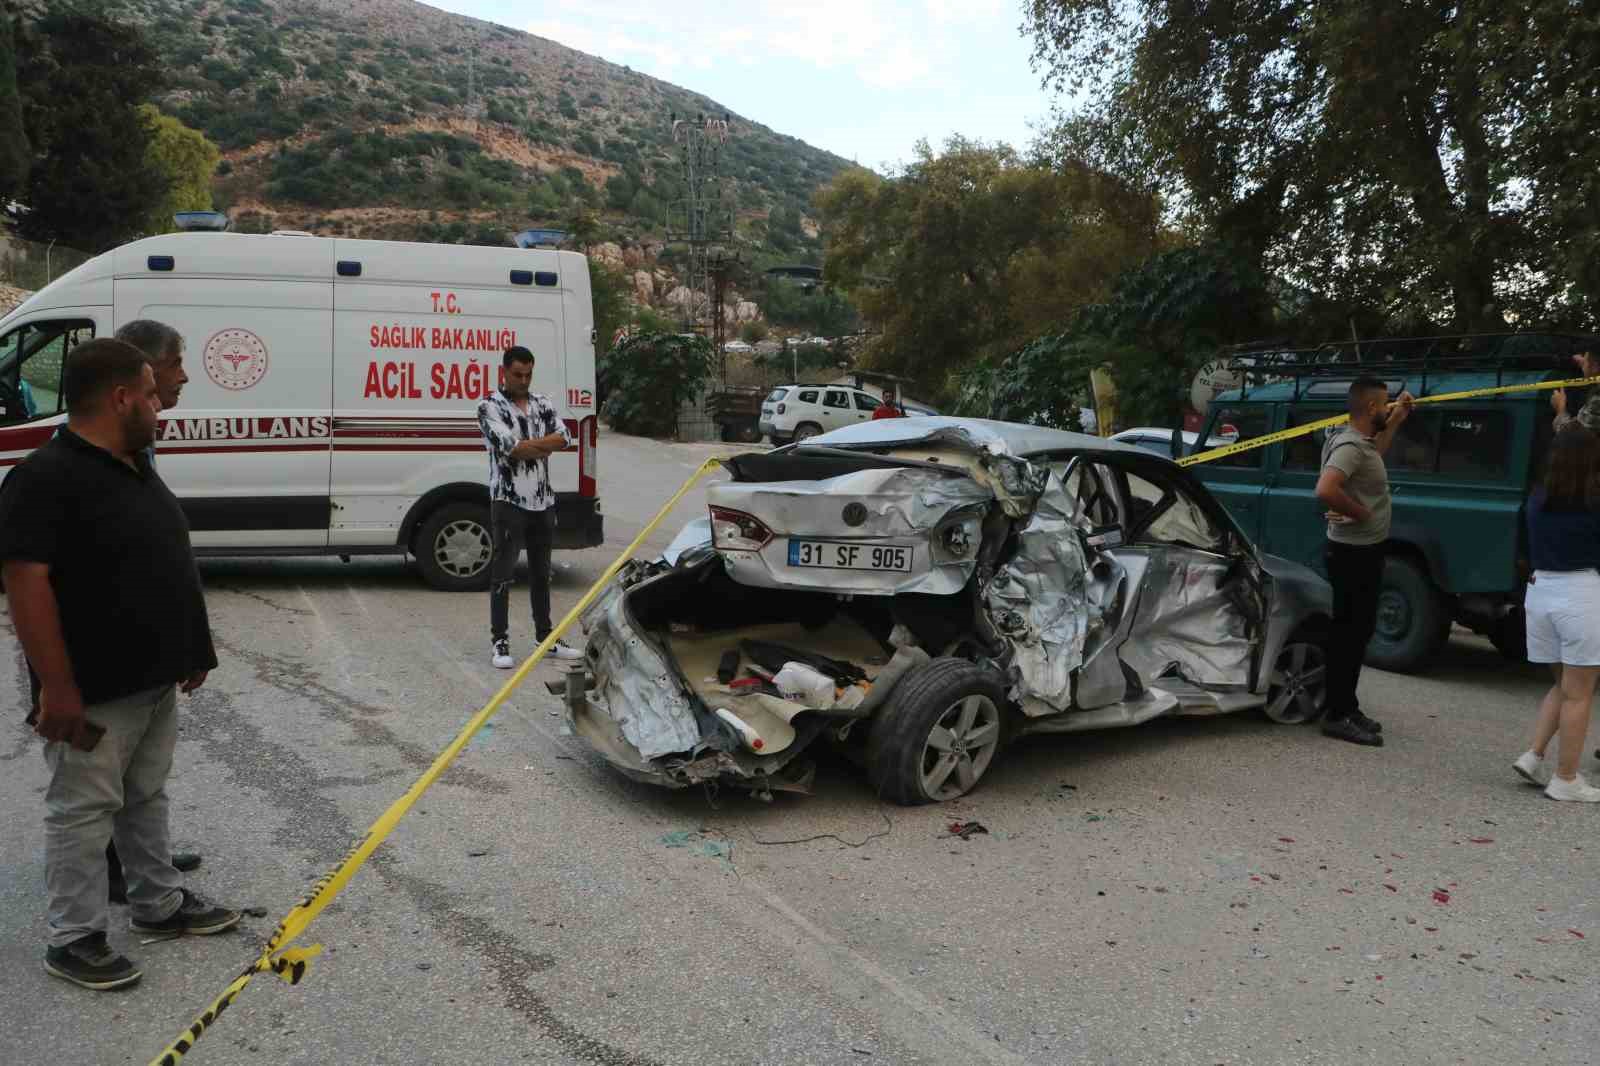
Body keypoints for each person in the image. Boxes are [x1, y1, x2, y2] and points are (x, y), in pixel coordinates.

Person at [0, 338, 239, 992]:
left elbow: (158, 556)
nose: (161, 404)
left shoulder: (132, 463)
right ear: (121, 397)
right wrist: (58, 688)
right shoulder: (45, 477)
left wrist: (190, 649)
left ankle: (156, 905)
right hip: (92, 685)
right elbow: (26, 583)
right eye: (152, 393)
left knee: (144, 794)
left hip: (152, 678)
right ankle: (73, 939)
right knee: (82, 808)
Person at [100, 320, 200, 901]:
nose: (183, 374)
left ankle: (144, 859)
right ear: (143, 371)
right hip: (120, 644)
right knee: (112, 770)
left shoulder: (142, 438)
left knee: (140, 771)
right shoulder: (105, 447)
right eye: (174, 362)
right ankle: (117, 874)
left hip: (152, 634)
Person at [1314, 376, 1415, 747]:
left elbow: (1374, 454)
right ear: (1371, 407)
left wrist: (1399, 419)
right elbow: (1325, 489)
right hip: (1353, 553)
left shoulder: (1361, 444)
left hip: (1360, 551)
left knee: (1356, 632)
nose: (1389, 406)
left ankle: (1345, 705)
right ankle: (1337, 714)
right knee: (1349, 634)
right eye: (1386, 403)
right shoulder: (1350, 446)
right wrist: (1359, 513)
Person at [477, 346, 582, 669]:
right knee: (503, 574)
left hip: (542, 501)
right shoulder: (488, 407)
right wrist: (537, 447)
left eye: (528, 375)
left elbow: (564, 437)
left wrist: (527, 447)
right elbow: (511, 449)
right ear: (504, 373)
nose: (523, 380)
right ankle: (500, 642)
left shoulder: (543, 404)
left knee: (541, 573)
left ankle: (545, 637)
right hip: (508, 501)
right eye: (517, 374)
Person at [1513, 426, 1600, 801]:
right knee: (1580, 694)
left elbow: (1521, 549)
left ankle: (1533, 756)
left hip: (1540, 593)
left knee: (1563, 685)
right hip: (1581, 594)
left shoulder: (1536, 498)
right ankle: (1566, 779)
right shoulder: (1595, 500)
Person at [1550, 349, 1600, 433]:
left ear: (1595, 367)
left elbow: (1574, 436)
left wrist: (1560, 409)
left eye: (1585, 362)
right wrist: (1587, 364)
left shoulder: (1597, 401)